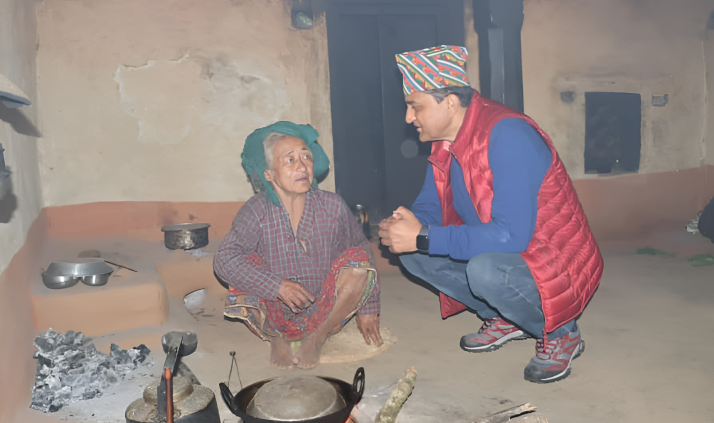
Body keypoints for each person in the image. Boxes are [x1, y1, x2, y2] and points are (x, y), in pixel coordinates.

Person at [379, 45, 603, 383]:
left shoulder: (508, 136)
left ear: (450, 103)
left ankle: (562, 333)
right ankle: (507, 317)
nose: (409, 118)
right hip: (503, 249)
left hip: (553, 259)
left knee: (485, 269)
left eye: (415, 106)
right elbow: (431, 205)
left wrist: (423, 235)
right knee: (413, 253)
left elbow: (511, 236)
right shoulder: (446, 140)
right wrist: (407, 226)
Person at [214, 121, 383, 370]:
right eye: (290, 160)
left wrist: (368, 308)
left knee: (358, 263)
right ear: (269, 174)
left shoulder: (333, 206)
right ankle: (276, 337)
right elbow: (224, 259)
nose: (302, 166)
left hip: (324, 306)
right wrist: (276, 286)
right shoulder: (256, 210)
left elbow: (362, 250)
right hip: (272, 308)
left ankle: (317, 338)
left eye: (306, 157)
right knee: (241, 262)